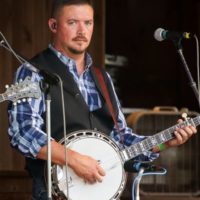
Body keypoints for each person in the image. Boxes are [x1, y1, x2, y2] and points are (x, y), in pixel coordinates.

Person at [8, 0, 197, 199]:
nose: (82, 30)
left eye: (88, 23)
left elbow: (121, 139)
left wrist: (165, 142)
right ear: (53, 26)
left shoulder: (101, 77)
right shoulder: (31, 72)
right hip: (54, 192)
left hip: (103, 191)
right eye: (72, 22)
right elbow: (22, 131)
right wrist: (73, 159)